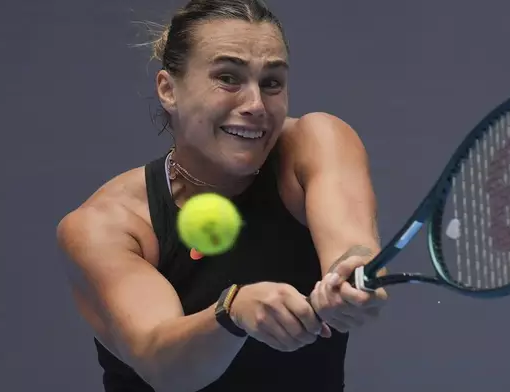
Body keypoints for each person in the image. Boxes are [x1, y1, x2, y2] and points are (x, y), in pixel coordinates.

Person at [56, 1, 388, 391]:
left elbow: (351, 244)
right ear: (168, 89)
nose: (255, 105)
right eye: (228, 78)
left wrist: (350, 274)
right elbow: (166, 368)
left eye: (272, 83)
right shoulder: (107, 226)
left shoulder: (315, 144)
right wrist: (233, 311)